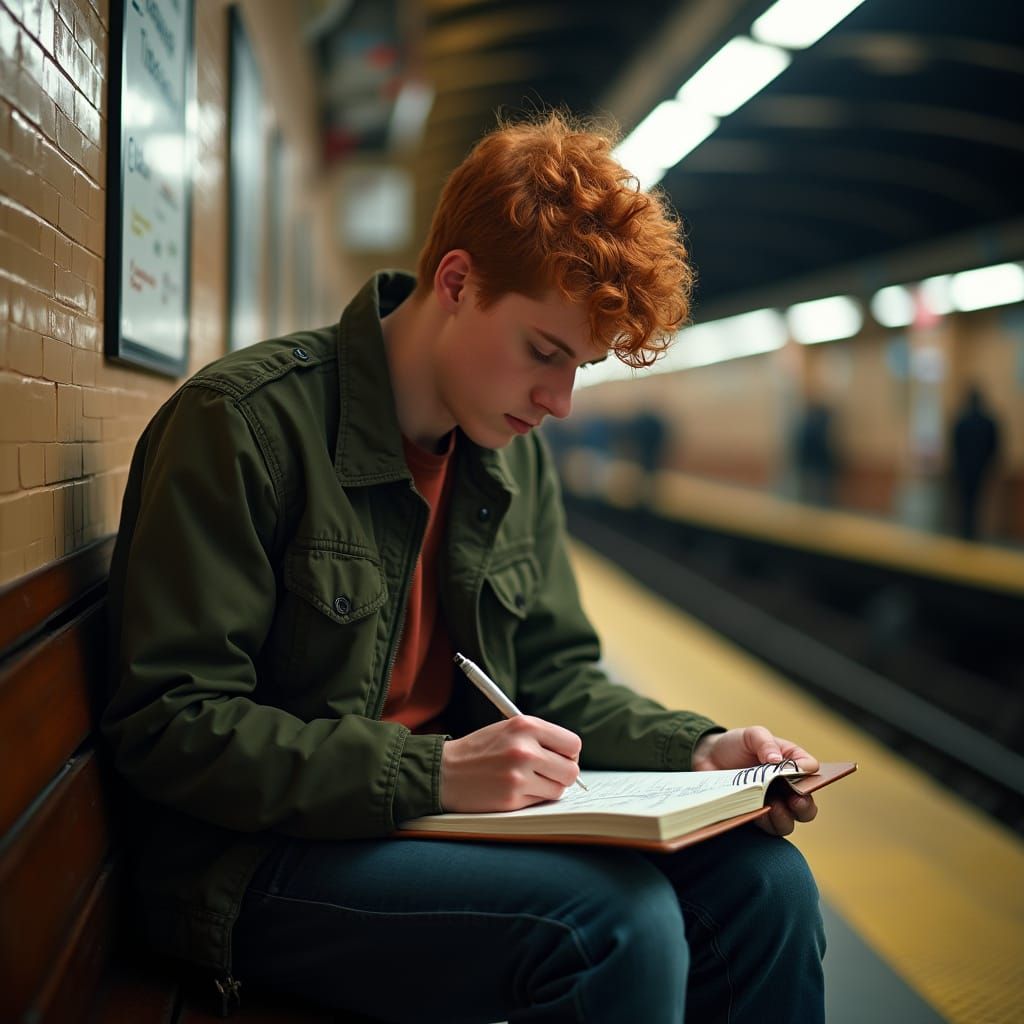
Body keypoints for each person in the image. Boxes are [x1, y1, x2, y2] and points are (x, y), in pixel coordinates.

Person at [103, 112, 824, 1023]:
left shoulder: (510, 454)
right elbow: (173, 724)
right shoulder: (243, 426)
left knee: (766, 884)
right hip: (251, 863)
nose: (559, 403)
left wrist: (700, 751)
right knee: (611, 925)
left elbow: (558, 674)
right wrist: (430, 772)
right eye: (545, 353)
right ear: (457, 282)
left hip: (439, 824)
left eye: (581, 369)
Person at [950, 386, 1001, 539]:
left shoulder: (961, 421)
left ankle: (966, 531)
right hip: (981, 468)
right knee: (978, 501)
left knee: (965, 502)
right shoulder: (988, 422)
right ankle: (974, 532)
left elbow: (955, 446)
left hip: (964, 469)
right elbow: (994, 447)